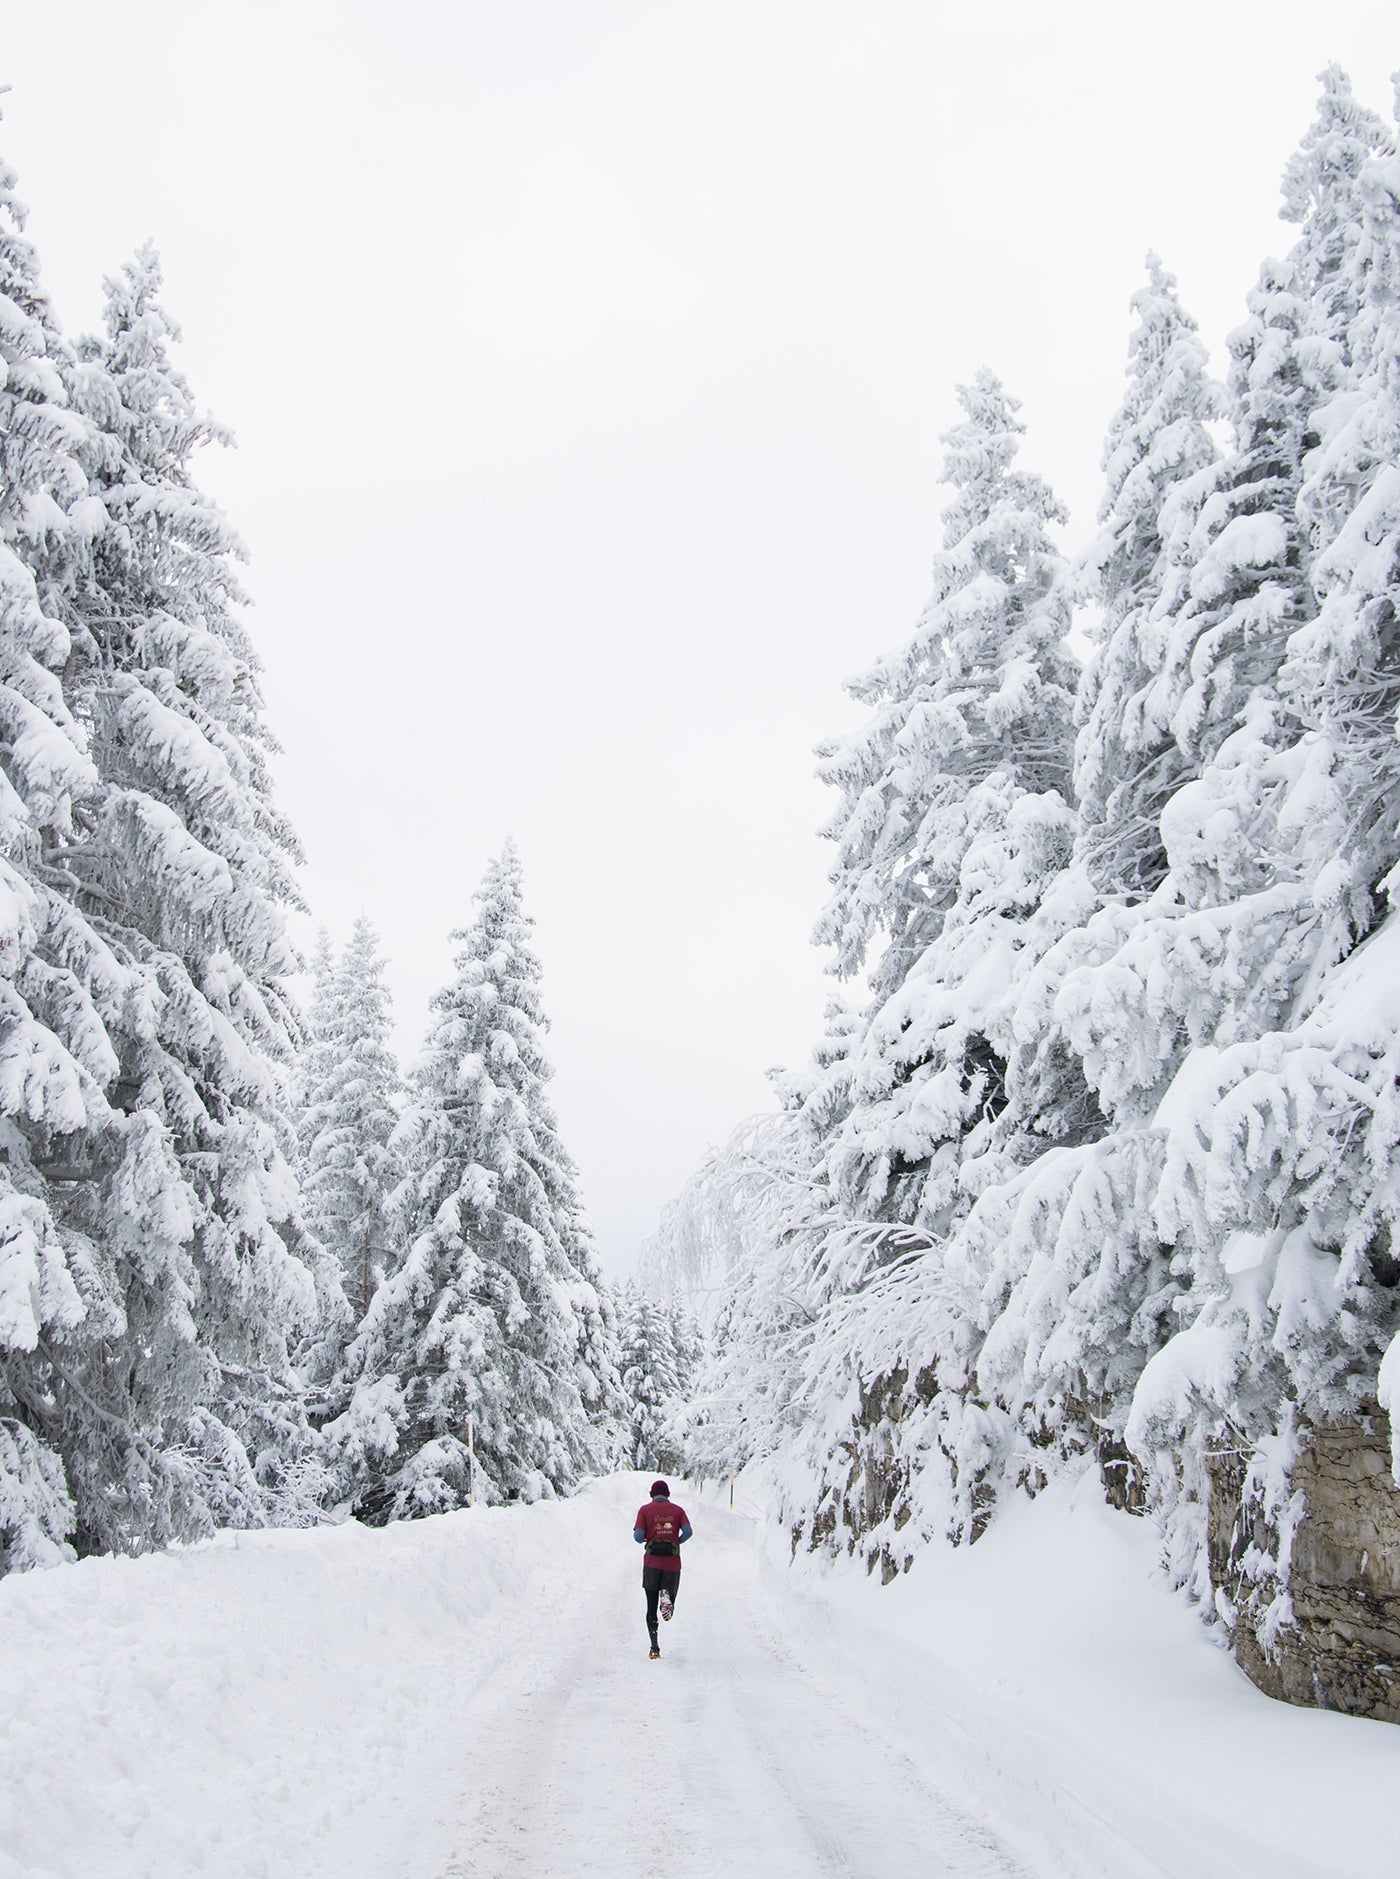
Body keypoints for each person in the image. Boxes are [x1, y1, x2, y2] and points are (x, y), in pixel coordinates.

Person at [633, 1478, 691, 1659]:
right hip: (672, 1563)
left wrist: (647, 1537)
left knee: (650, 1605)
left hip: (651, 1563)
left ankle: (654, 1647)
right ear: (668, 1495)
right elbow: (688, 1532)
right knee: (668, 1594)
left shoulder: (644, 1510)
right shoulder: (678, 1511)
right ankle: (667, 1598)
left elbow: (637, 1536)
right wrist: (676, 1541)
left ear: (652, 1494)